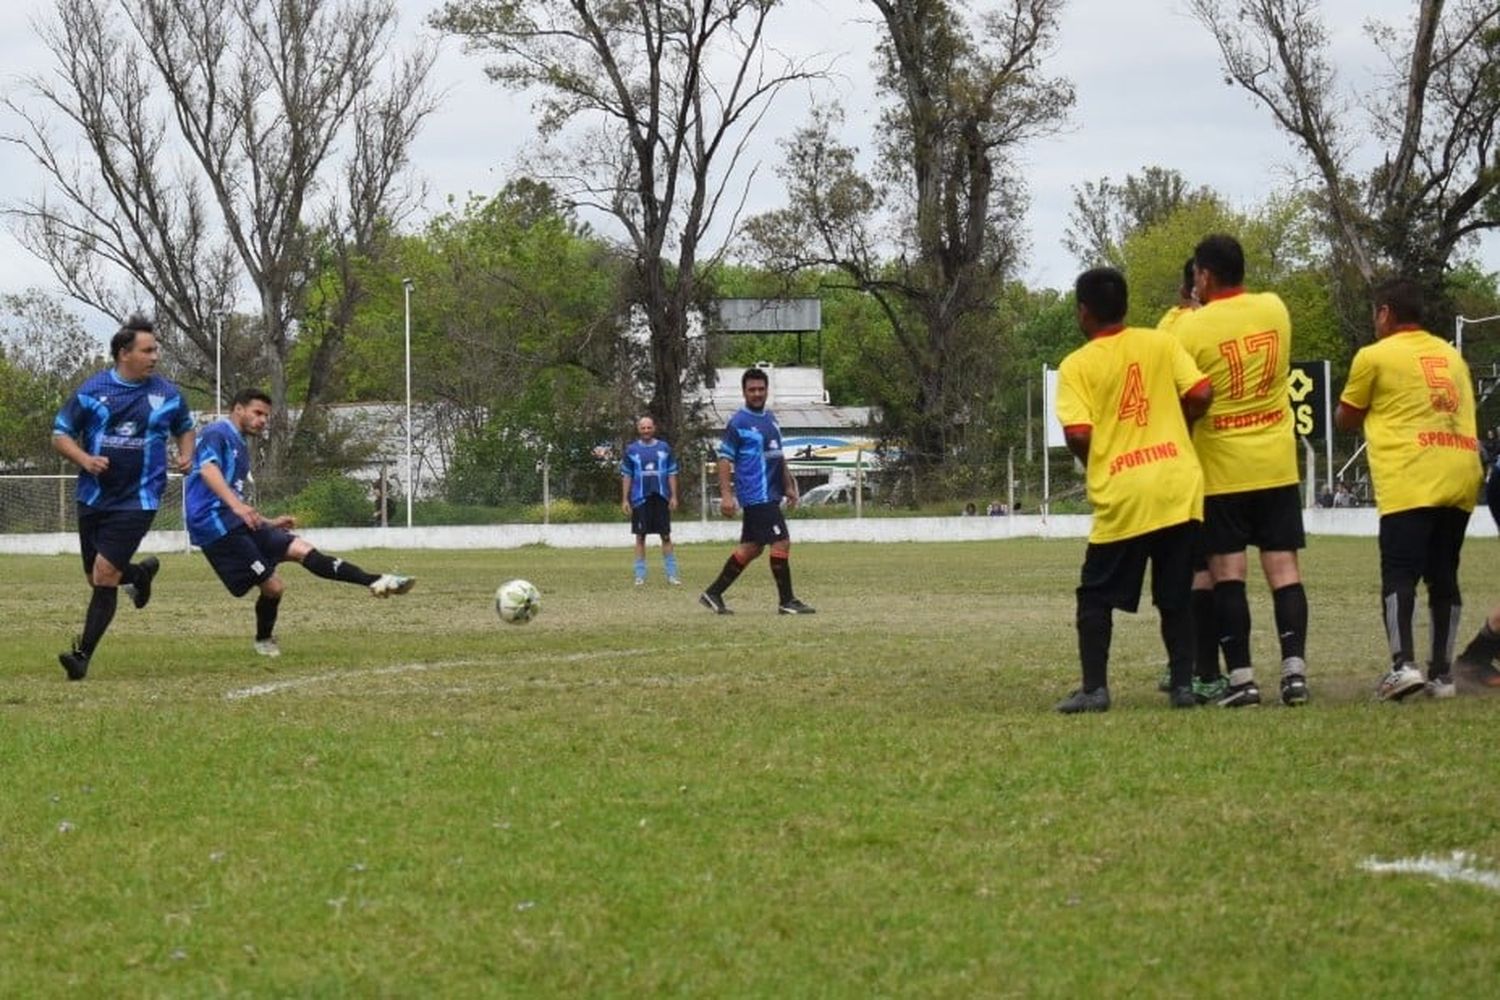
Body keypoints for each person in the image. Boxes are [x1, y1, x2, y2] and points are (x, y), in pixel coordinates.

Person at [1053, 267, 1213, 713]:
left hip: (1123, 490)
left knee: (1095, 595)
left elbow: (1080, 432)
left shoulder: (1077, 365)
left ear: (1084, 312)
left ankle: (1095, 689)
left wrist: (1096, 464)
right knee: (1176, 594)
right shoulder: (1161, 342)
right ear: (1123, 304)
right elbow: (1201, 392)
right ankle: (1183, 686)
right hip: (1178, 486)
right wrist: (1181, 427)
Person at [1175, 233, 1310, 708]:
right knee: (1284, 569)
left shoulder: (1189, 330)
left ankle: (1243, 680)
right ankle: (1295, 675)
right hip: (1275, 461)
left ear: (1204, 276)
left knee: (1228, 572)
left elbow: (1185, 395)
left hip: (1222, 467)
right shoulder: (1275, 308)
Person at [1335, 278, 1483, 700]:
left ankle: (1403, 667)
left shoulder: (1374, 355)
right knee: (1444, 575)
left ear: (1385, 313)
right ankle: (1442, 675)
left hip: (1411, 474)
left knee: (1399, 573)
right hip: (1459, 471)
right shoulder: (1452, 356)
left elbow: (1347, 417)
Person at [185, 389, 416, 656]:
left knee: (301, 549)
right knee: (273, 587)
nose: (262, 421)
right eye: (257, 413)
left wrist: (269, 522)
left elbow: (235, 497)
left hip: (233, 519)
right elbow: (207, 469)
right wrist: (237, 507)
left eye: (266, 416)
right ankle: (263, 640)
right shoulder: (217, 432)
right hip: (215, 525)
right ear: (238, 409)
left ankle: (378, 580)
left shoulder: (239, 443)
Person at [51, 314, 195, 680]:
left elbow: (185, 428)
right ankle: (141, 574)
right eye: (148, 350)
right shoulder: (93, 391)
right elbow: (60, 434)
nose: (155, 357)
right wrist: (85, 459)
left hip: (140, 498)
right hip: (93, 496)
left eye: (156, 350)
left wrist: (187, 454)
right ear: (123, 353)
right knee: (96, 576)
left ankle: (81, 657)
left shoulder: (167, 395)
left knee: (104, 574)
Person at [698, 368, 815, 615]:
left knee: (751, 548)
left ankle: (713, 593)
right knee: (781, 541)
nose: (757, 393)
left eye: (761, 389)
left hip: (771, 493)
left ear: (766, 390)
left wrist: (789, 485)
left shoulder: (771, 419)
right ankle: (787, 601)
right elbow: (724, 459)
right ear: (744, 392)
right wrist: (727, 495)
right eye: (752, 389)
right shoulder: (738, 423)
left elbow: (778, 456)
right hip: (756, 495)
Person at [1158, 254, 1222, 700]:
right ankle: (1206, 667)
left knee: (1197, 568)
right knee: (1213, 569)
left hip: (1186, 464)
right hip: (1222, 462)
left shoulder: (1167, 327)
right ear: (1197, 284)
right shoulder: (1208, 324)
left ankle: (1195, 666)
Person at [620, 415, 681, 586]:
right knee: (640, 537)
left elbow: (672, 473)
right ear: (638, 429)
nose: (646, 431)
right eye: (643, 428)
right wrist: (625, 499)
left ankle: (672, 575)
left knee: (666, 536)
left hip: (661, 497)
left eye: (649, 427)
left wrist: (674, 496)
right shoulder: (631, 450)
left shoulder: (664, 448)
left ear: (654, 428)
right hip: (640, 498)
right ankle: (640, 576)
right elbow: (626, 475)